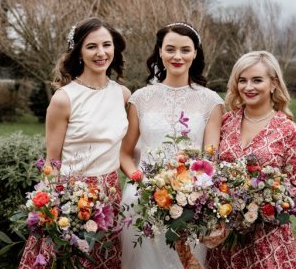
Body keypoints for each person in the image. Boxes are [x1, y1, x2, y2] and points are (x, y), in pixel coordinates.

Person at [19, 17, 130, 269]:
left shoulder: (123, 94)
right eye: (91, 46)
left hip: (110, 194)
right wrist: (48, 208)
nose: (101, 53)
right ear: (79, 51)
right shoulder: (64, 98)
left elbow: (127, 149)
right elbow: (52, 160)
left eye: (106, 45)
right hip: (71, 197)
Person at [120, 22, 224, 269]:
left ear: (195, 53)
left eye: (185, 50)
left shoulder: (211, 101)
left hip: (191, 202)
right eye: (170, 49)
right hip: (141, 198)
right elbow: (124, 154)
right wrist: (142, 181)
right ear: (159, 51)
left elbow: (210, 158)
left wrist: (190, 192)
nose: (178, 56)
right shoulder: (140, 98)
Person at [206, 51, 296, 269]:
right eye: (242, 80)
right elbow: (210, 168)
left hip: (267, 241)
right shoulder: (226, 121)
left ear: (273, 84)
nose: (248, 87)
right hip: (225, 241)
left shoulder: (288, 131)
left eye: (257, 80)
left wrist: (257, 207)